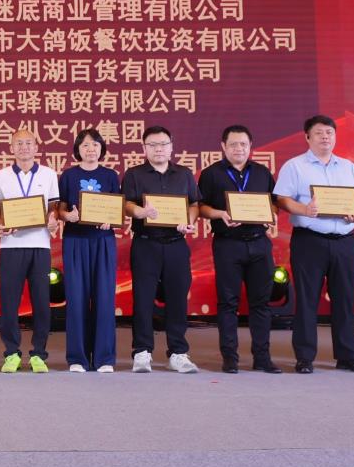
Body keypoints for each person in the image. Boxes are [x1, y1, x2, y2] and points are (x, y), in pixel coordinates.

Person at [274, 115, 354, 374]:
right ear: (307, 137)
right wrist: (305, 209)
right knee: (307, 300)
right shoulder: (295, 166)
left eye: (329, 132)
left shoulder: (348, 167)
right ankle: (305, 358)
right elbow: (281, 199)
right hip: (310, 240)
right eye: (319, 133)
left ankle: (348, 356)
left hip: (345, 242)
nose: (325, 137)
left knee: (345, 300)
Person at [197, 125, 281, 374]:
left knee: (261, 303)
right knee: (228, 303)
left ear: (250, 146)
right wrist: (220, 214)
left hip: (259, 243)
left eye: (243, 144)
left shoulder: (262, 172)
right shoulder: (211, 174)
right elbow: (201, 207)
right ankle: (230, 358)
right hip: (228, 244)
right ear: (223, 146)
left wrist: (270, 215)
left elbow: (274, 203)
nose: (239, 149)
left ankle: (262, 357)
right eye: (233, 144)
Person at [122, 126, 201, 374]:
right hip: (146, 243)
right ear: (144, 148)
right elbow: (127, 203)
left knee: (177, 298)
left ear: (171, 147)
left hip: (176, 243)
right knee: (143, 298)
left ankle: (178, 352)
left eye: (163, 144)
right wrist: (139, 212)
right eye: (153, 145)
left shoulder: (184, 174)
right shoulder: (134, 174)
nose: (159, 149)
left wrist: (189, 221)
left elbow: (194, 204)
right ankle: (142, 351)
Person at [0, 127, 60, 373]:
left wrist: (52, 220)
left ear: (36, 147)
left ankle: (39, 354)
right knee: (9, 303)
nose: (23, 147)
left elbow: (54, 206)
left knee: (41, 302)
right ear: (11, 148)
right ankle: (11, 353)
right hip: (11, 246)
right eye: (18, 143)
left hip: (40, 245)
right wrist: (2, 224)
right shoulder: (0, 175)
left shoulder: (48, 174)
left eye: (28, 143)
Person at [57, 128, 121, 372]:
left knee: (104, 298)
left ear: (102, 148)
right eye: (85, 145)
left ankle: (104, 358)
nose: (90, 149)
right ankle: (78, 358)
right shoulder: (69, 176)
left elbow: (117, 209)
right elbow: (60, 209)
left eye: (95, 144)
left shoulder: (111, 175)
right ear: (78, 150)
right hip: (75, 241)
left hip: (103, 241)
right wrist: (68, 216)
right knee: (77, 298)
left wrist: (110, 220)